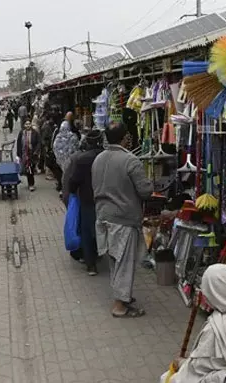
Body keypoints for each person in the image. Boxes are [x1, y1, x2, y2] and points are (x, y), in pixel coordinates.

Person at [91, 122, 152, 318]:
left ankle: (123, 296)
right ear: (125, 138)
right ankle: (119, 305)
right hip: (123, 218)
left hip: (103, 216)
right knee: (125, 262)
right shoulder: (130, 160)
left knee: (115, 260)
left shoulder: (98, 158)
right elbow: (145, 191)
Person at [68, 130, 104, 276]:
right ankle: (103, 254)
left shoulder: (83, 159)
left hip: (88, 200)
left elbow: (73, 181)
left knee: (87, 232)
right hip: (106, 199)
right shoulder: (106, 157)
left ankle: (91, 264)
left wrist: (71, 193)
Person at [16, 120, 40, 192]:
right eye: (26, 124)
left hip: (32, 154)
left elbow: (39, 142)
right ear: (24, 125)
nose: (28, 125)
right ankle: (30, 183)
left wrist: (36, 151)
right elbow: (18, 143)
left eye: (29, 124)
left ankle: (31, 183)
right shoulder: (21, 133)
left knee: (30, 169)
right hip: (24, 154)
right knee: (28, 169)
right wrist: (19, 153)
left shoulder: (35, 133)